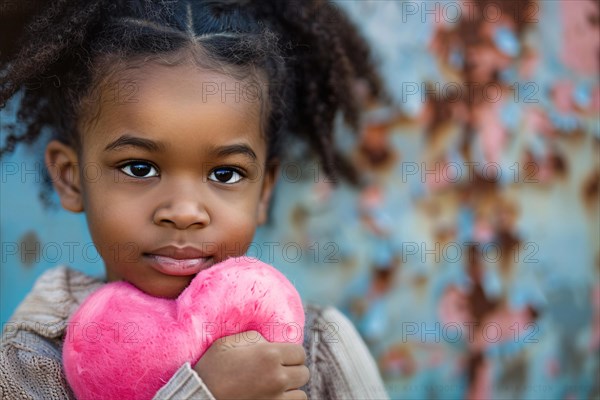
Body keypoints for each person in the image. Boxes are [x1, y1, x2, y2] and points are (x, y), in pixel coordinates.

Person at [0, 1, 389, 399]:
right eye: (139, 168)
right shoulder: (36, 351)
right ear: (71, 177)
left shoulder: (319, 346)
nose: (184, 212)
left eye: (225, 174)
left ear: (264, 190)